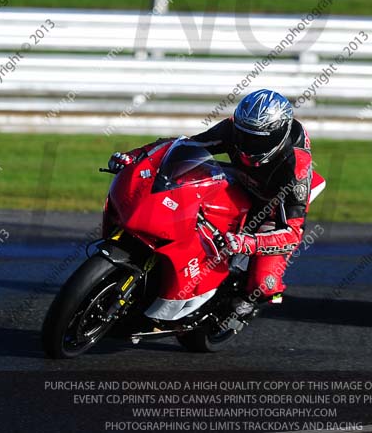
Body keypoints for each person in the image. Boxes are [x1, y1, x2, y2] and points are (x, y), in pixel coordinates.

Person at [108, 89, 313, 316]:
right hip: (240, 179)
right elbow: (186, 146)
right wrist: (135, 156)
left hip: (272, 207)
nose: (248, 144)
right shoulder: (232, 129)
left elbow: (292, 233)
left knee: (264, 285)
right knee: (187, 181)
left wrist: (248, 243)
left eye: (258, 139)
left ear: (279, 135)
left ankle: (254, 300)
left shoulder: (296, 168)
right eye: (244, 135)